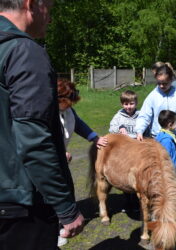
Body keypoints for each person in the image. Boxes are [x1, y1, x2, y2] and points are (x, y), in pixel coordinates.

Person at [0, 1, 84, 249]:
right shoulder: (23, 52)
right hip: (22, 208)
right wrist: (66, 209)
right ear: (31, 4)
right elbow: (33, 139)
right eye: (51, 8)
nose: (51, 18)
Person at [57, 78, 107, 246]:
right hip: (48, 159)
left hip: (60, 159)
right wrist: (58, 152)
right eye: (67, 103)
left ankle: (65, 220)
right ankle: (55, 228)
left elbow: (77, 123)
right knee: (53, 192)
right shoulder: (44, 112)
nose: (71, 106)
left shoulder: (67, 110)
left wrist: (94, 138)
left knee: (67, 188)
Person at [135, 64, 176, 173]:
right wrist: (139, 130)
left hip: (175, 137)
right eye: (159, 83)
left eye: (164, 83)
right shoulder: (152, 96)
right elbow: (144, 115)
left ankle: (174, 186)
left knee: (174, 165)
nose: (161, 86)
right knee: (158, 166)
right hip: (158, 137)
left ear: (171, 80)